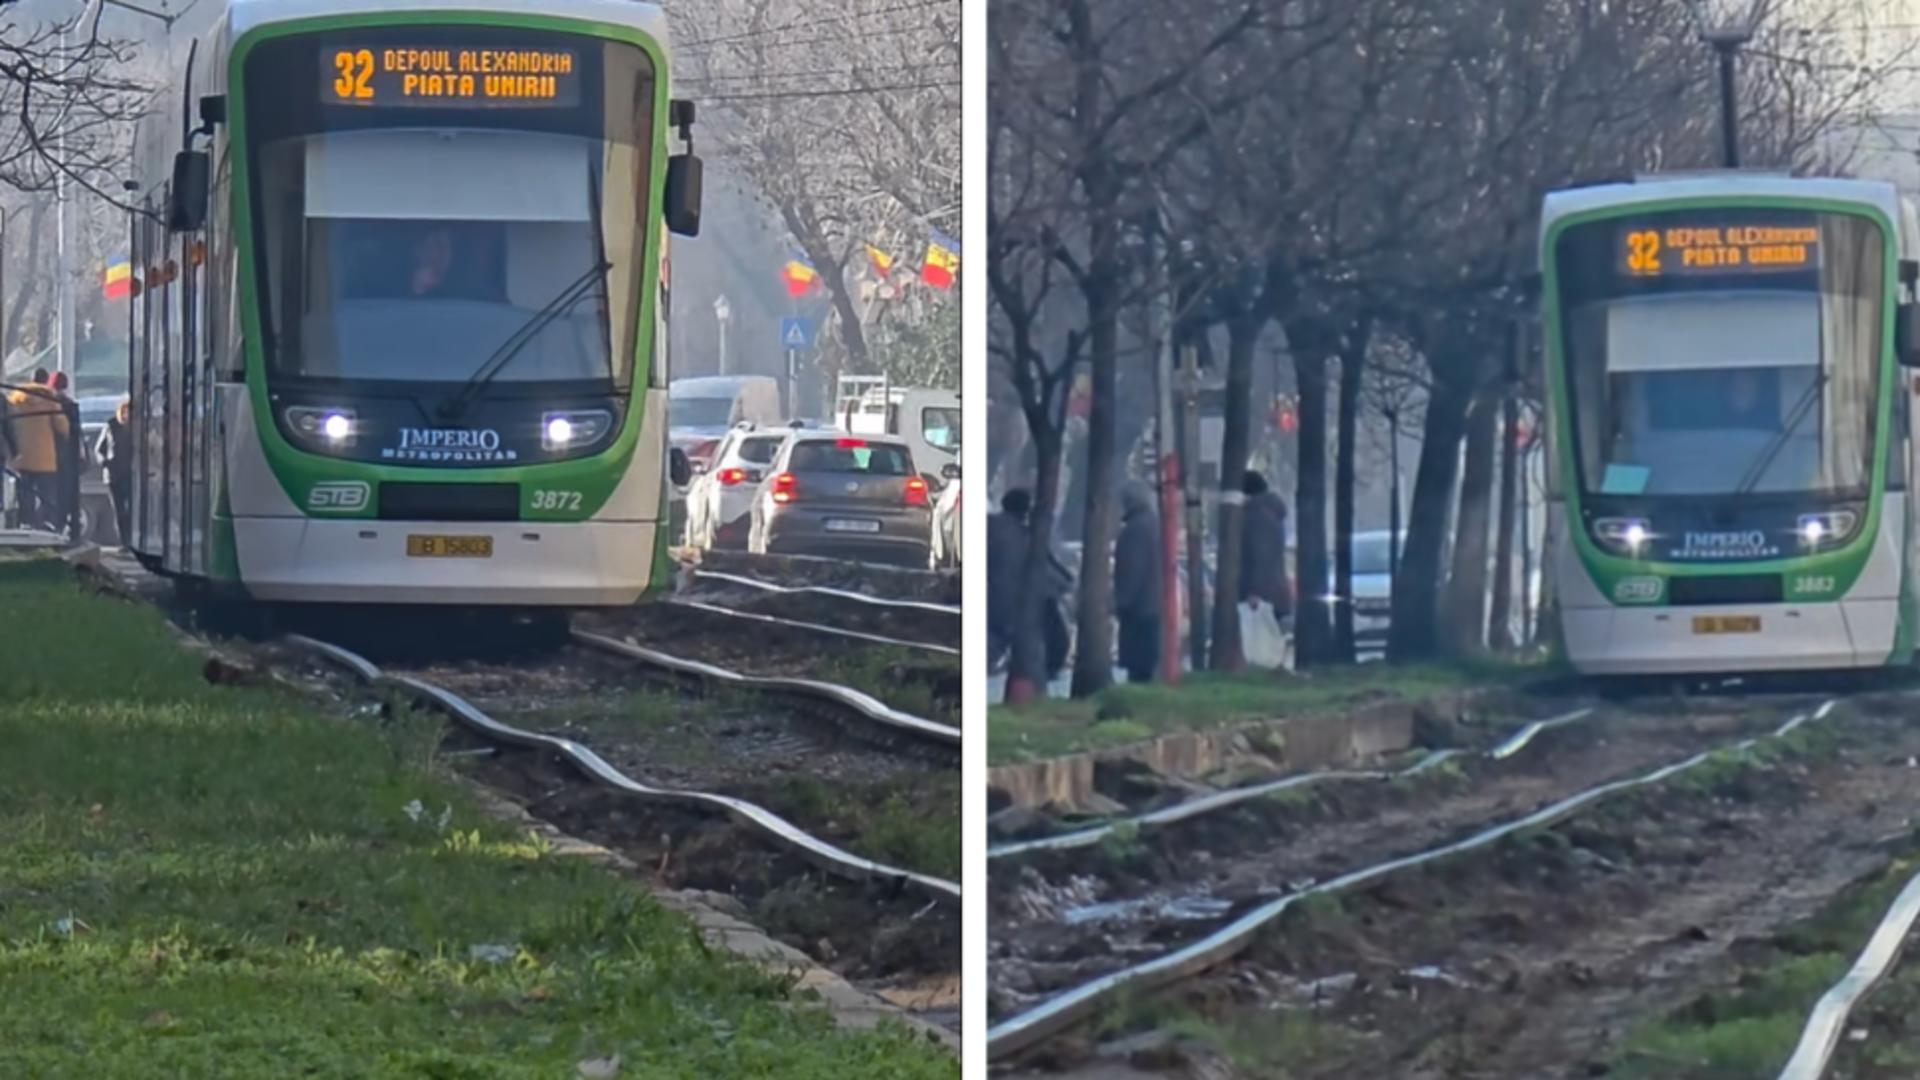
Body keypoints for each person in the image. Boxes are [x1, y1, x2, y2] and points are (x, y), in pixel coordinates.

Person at [1112, 482, 1163, 683]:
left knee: (1138, 664)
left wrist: (1121, 601)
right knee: (1146, 661)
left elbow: (1132, 570)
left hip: (1138, 607)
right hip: (1151, 603)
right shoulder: (1152, 524)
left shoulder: (1134, 531)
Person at [7, 368, 69, 533]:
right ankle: (46, 522)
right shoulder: (48, 399)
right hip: (45, 456)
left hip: (20, 456)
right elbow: (62, 426)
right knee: (46, 493)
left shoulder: (16, 399)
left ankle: (25, 522)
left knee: (25, 492)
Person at [1241, 470, 1294, 618]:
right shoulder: (1271, 514)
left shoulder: (1256, 516)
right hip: (1274, 592)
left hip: (1260, 598)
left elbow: (1261, 555)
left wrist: (1254, 591)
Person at [97, 399, 133, 547]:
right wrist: (105, 462)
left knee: (131, 509)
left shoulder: (138, 427)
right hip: (114, 475)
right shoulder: (111, 425)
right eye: (124, 412)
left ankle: (132, 541)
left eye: (129, 412)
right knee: (119, 510)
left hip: (131, 474)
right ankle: (124, 542)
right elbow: (99, 449)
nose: (126, 415)